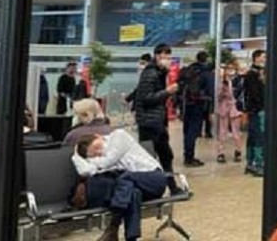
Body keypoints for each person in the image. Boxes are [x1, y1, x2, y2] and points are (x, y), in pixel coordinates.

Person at [73, 129, 186, 241]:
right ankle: (132, 238)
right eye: (94, 154)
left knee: (124, 178)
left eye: (96, 147)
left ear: (98, 136)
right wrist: (76, 156)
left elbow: (108, 161)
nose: (98, 152)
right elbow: (85, 171)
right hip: (137, 187)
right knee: (133, 193)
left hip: (155, 178)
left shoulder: (118, 136)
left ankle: (114, 225)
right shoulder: (102, 158)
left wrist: (91, 161)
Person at [134, 44, 178, 173]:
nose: (169, 61)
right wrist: (167, 92)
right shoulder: (150, 73)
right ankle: (153, 187)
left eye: (170, 58)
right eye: (166, 57)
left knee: (166, 155)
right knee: (150, 157)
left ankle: (172, 186)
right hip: (149, 122)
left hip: (157, 121)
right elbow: (146, 98)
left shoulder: (160, 73)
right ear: (158, 56)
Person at [179, 51, 209, 167]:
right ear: (206, 60)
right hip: (198, 104)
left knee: (187, 132)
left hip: (186, 104)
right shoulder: (204, 72)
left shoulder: (187, 70)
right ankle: (189, 158)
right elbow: (210, 91)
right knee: (193, 132)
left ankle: (187, 156)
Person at [215, 61, 243, 164]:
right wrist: (223, 88)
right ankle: (220, 152)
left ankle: (238, 150)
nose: (230, 71)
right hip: (223, 108)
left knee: (236, 131)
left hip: (235, 108)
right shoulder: (222, 81)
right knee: (222, 131)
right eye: (228, 69)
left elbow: (239, 93)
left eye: (232, 69)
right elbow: (218, 95)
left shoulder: (239, 80)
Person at [244, 50, 266, 176]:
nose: (265, 59)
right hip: (258, 110)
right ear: (256, 58)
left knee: (252, 136)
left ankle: (250, 163)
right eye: (263, 57)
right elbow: (255, 94)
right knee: (259, 137)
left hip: (252, 110)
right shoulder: (253, 75)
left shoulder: (255, 73)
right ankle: (259, 164)